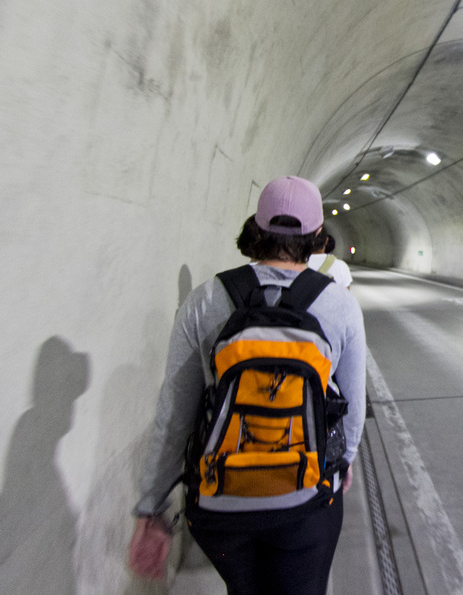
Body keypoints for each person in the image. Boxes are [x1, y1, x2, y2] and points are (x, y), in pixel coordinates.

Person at [130, 176, 367, 594]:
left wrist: (152, 506)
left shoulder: (204, 300)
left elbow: (175, 415)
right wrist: (342, 463)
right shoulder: (340, 306)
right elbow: (353, 408)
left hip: (220, 504)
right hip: (306, 497)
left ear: (256, 227)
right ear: (317, 235)